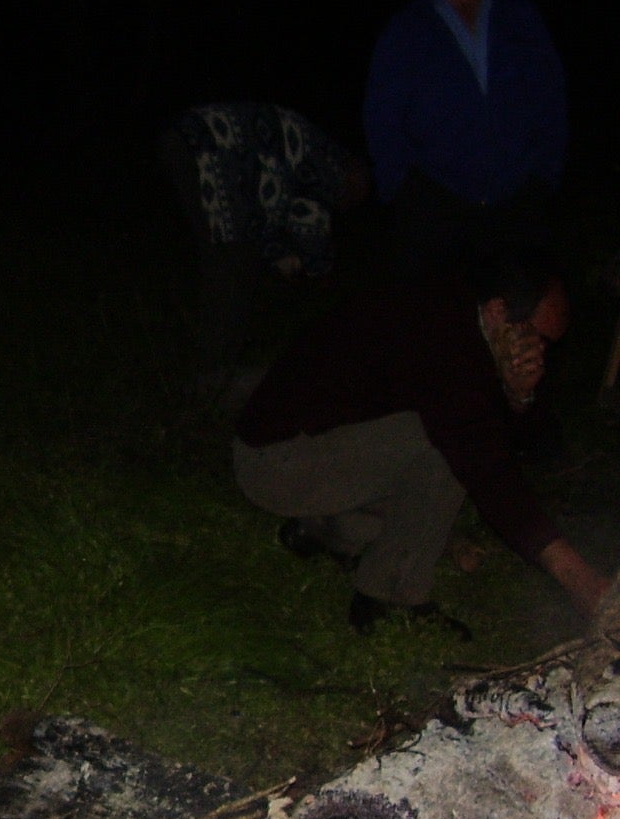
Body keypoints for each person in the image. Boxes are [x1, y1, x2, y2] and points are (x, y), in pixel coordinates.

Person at [231, 252, 611, 637]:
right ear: (498, 311)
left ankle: (325, 530)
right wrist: (575, 576)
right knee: (441, 447)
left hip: (324, 454)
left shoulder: (474, 321)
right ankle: (389, 598)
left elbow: (528, 443)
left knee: (426, 486)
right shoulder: (438, 329)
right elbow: (485, 463)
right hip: (278, 461)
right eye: (538, 336)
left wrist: (519, 397)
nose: (540, 352)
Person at [362, 0, 567, 283]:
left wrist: (544, 174)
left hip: (518, 198)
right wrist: (403, 191)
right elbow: (382, 119)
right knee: (442, 325)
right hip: (439, 203)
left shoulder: (520, 16)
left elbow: (552, 99)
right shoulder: (405, 31)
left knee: (523, 318)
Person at [157, 102, 370, 370]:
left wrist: (283, 259)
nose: (346, 206)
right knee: (232, 262)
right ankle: (214, 371)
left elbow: (266, 219)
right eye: (353, 199)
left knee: (228, 255)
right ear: (354, 179)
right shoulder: (329, 163)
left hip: (184, 140)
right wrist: (322, 272)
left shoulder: (304, 158)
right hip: (209, 146)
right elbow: (311, 221)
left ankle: (206, 358)